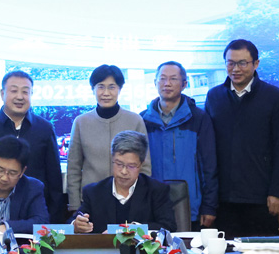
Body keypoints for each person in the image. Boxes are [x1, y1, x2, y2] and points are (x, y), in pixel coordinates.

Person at [205, 39, 279, 238]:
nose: (236, 69)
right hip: (223, 200)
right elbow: (208, 149)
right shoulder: (214, 96)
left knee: (262, 249)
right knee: (226, 249)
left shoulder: (274, 96)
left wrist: (277, 192)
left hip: (261, 198)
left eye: (242, 63)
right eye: (230, 63)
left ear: (256, 64)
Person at [0, 70, 63, 223]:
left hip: (34, 216)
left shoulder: (44, 129)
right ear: (2, 94)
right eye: (14, 91)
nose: (20, 97)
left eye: (25, 92)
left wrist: (53, 219)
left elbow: (54, 179)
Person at [140, 61, 218, 230]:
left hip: (191, 206)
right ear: (155, 83)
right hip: (153, 207)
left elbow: (209, 166)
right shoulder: (142, 120)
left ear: (184, 84)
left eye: (173, 79)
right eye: (162, 78)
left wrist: (209, 206)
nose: (167, 83)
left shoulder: (199, 119)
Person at [67, 64, 151, 212]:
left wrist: (140, 200)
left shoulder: (135, 120)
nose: (106, 93)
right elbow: (73, 168)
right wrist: (75, 206)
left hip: (128, 201)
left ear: (120, 89)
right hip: (90, 202)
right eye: (100, 87)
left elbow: (144, 166)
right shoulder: (81, 122)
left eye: (112, 87)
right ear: (93, 89)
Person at [72, 131, 176, 233]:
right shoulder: (94, 192)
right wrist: (76, 226)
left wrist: (133, 229)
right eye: (119, 164)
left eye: (131, 166)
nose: (124, 171)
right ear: (112, 159)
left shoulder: (156, 190)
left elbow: (168, 226)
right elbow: (74, 221)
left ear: (141, 164)